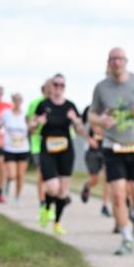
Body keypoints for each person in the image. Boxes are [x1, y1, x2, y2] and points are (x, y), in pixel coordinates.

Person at [89, 47, 134, 255]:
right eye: (113, 59)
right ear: (108, 62)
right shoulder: (101, 87)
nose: (117, 62)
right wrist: (100, 120)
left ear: (126, 61)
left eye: (120, 59)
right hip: (113, 145)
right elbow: (92, 114)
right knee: (118, 195)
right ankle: (126, 238)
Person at [30, 75, 87, 235]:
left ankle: (57, 223)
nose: (58, 87)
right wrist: (37, 122)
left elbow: (81, 130)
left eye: (62, 85)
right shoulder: (43, 105)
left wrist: (75, 120)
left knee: (63, 191)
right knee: (52, 187)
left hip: (66, 151)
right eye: (55, 84)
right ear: (50, 87)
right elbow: (31, 128)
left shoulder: (70, 106)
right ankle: (46, 208)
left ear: (65, 87)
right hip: (47, 150)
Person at [80, 105, 112, 217]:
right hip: (92, 150)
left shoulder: (111, 109)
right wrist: (89, 139)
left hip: (107, 148)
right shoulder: (89, 109)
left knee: (108, 177)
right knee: (95, 179)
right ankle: (87, 186)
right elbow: (80, 127)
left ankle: (105, 206)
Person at [0, 92, 31, 205]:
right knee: (12, 174)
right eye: (15, 100)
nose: (17, 102)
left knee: (20, 175)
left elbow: (31, 130)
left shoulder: (26, 115)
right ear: (12, 101)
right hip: (9, 148)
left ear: (22, 101)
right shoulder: (6, 114)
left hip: (23, 148)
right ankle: (8, 183)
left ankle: (17, 197)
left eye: (19, 100)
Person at [26, 82, 50, 215]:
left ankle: (52, 199)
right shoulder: (36, 103)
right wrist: (35, 125)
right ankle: (42, 201)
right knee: (42, 174)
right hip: (38, 144)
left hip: (56, 146)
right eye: (49, 88)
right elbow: (29, 122)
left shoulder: (58, 103)